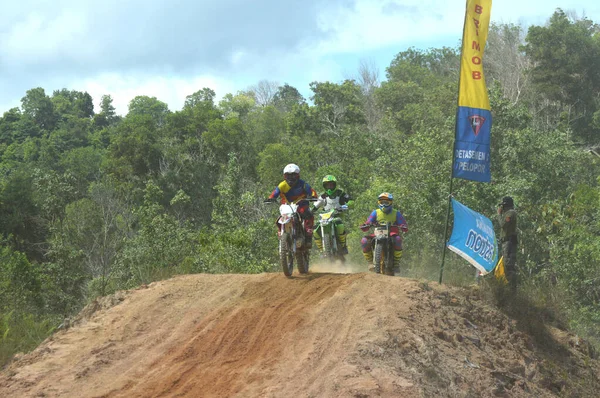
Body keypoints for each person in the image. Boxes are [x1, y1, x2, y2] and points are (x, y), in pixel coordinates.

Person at [266, 164, 318, 247]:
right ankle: (281, 231)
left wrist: (313, 196)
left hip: (301, 204)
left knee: (308, 214)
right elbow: (274, 193)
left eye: (293, 175)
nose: (291, 178)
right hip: (286, 206)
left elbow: (312, 191)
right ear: (284, 176)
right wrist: (270, 198)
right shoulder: (282, 185)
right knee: (280, 218)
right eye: (288, 175)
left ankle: (308, 234)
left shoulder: (303, 184)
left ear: (297, 175)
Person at [360, 192, 408, 274]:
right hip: (377, 233)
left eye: (386, 202)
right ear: (379, 203)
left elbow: (403, 224)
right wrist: (366, 225)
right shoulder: (375, 212)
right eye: (382, 202)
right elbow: (369, 222)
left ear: (391, 203)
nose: (384, 205)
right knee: (364, 241)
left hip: (392, 233)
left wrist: (403, 226)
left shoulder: (396, 213)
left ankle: (396, 263)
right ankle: (370, 262)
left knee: (398, 240)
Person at [312, 175, 352, 255]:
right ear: (324, 186)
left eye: (331, 184)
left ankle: (343, 246)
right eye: (327, 185)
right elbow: (316, 206)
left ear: (334, 184)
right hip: (325, 217)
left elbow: (351, 201)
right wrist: (310, 211)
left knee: (340, 225)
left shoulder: (341, 193)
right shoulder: (323, 196)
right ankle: (321, 250)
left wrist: (345, 206)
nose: (329, 187)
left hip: (338, 216)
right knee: (315, 230)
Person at [497, 196, 518, 291]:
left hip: (509, 242)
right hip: (506, 242)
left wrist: (499, 214)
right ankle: (508, 286)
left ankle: (511, 288)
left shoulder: (510, 213)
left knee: (508, 265)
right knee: (506, 265)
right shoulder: (509, 213)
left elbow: (503, 224)